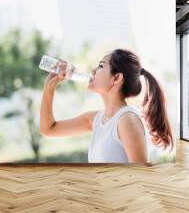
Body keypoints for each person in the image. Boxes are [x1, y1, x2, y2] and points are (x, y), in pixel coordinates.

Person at [39, 49, 173, 164]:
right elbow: (48, 129)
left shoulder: (127, 120)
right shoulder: (95, 119)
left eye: (100, 66)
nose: (92, 71)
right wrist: (49, 87)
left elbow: (140, 177)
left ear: (116, 78)